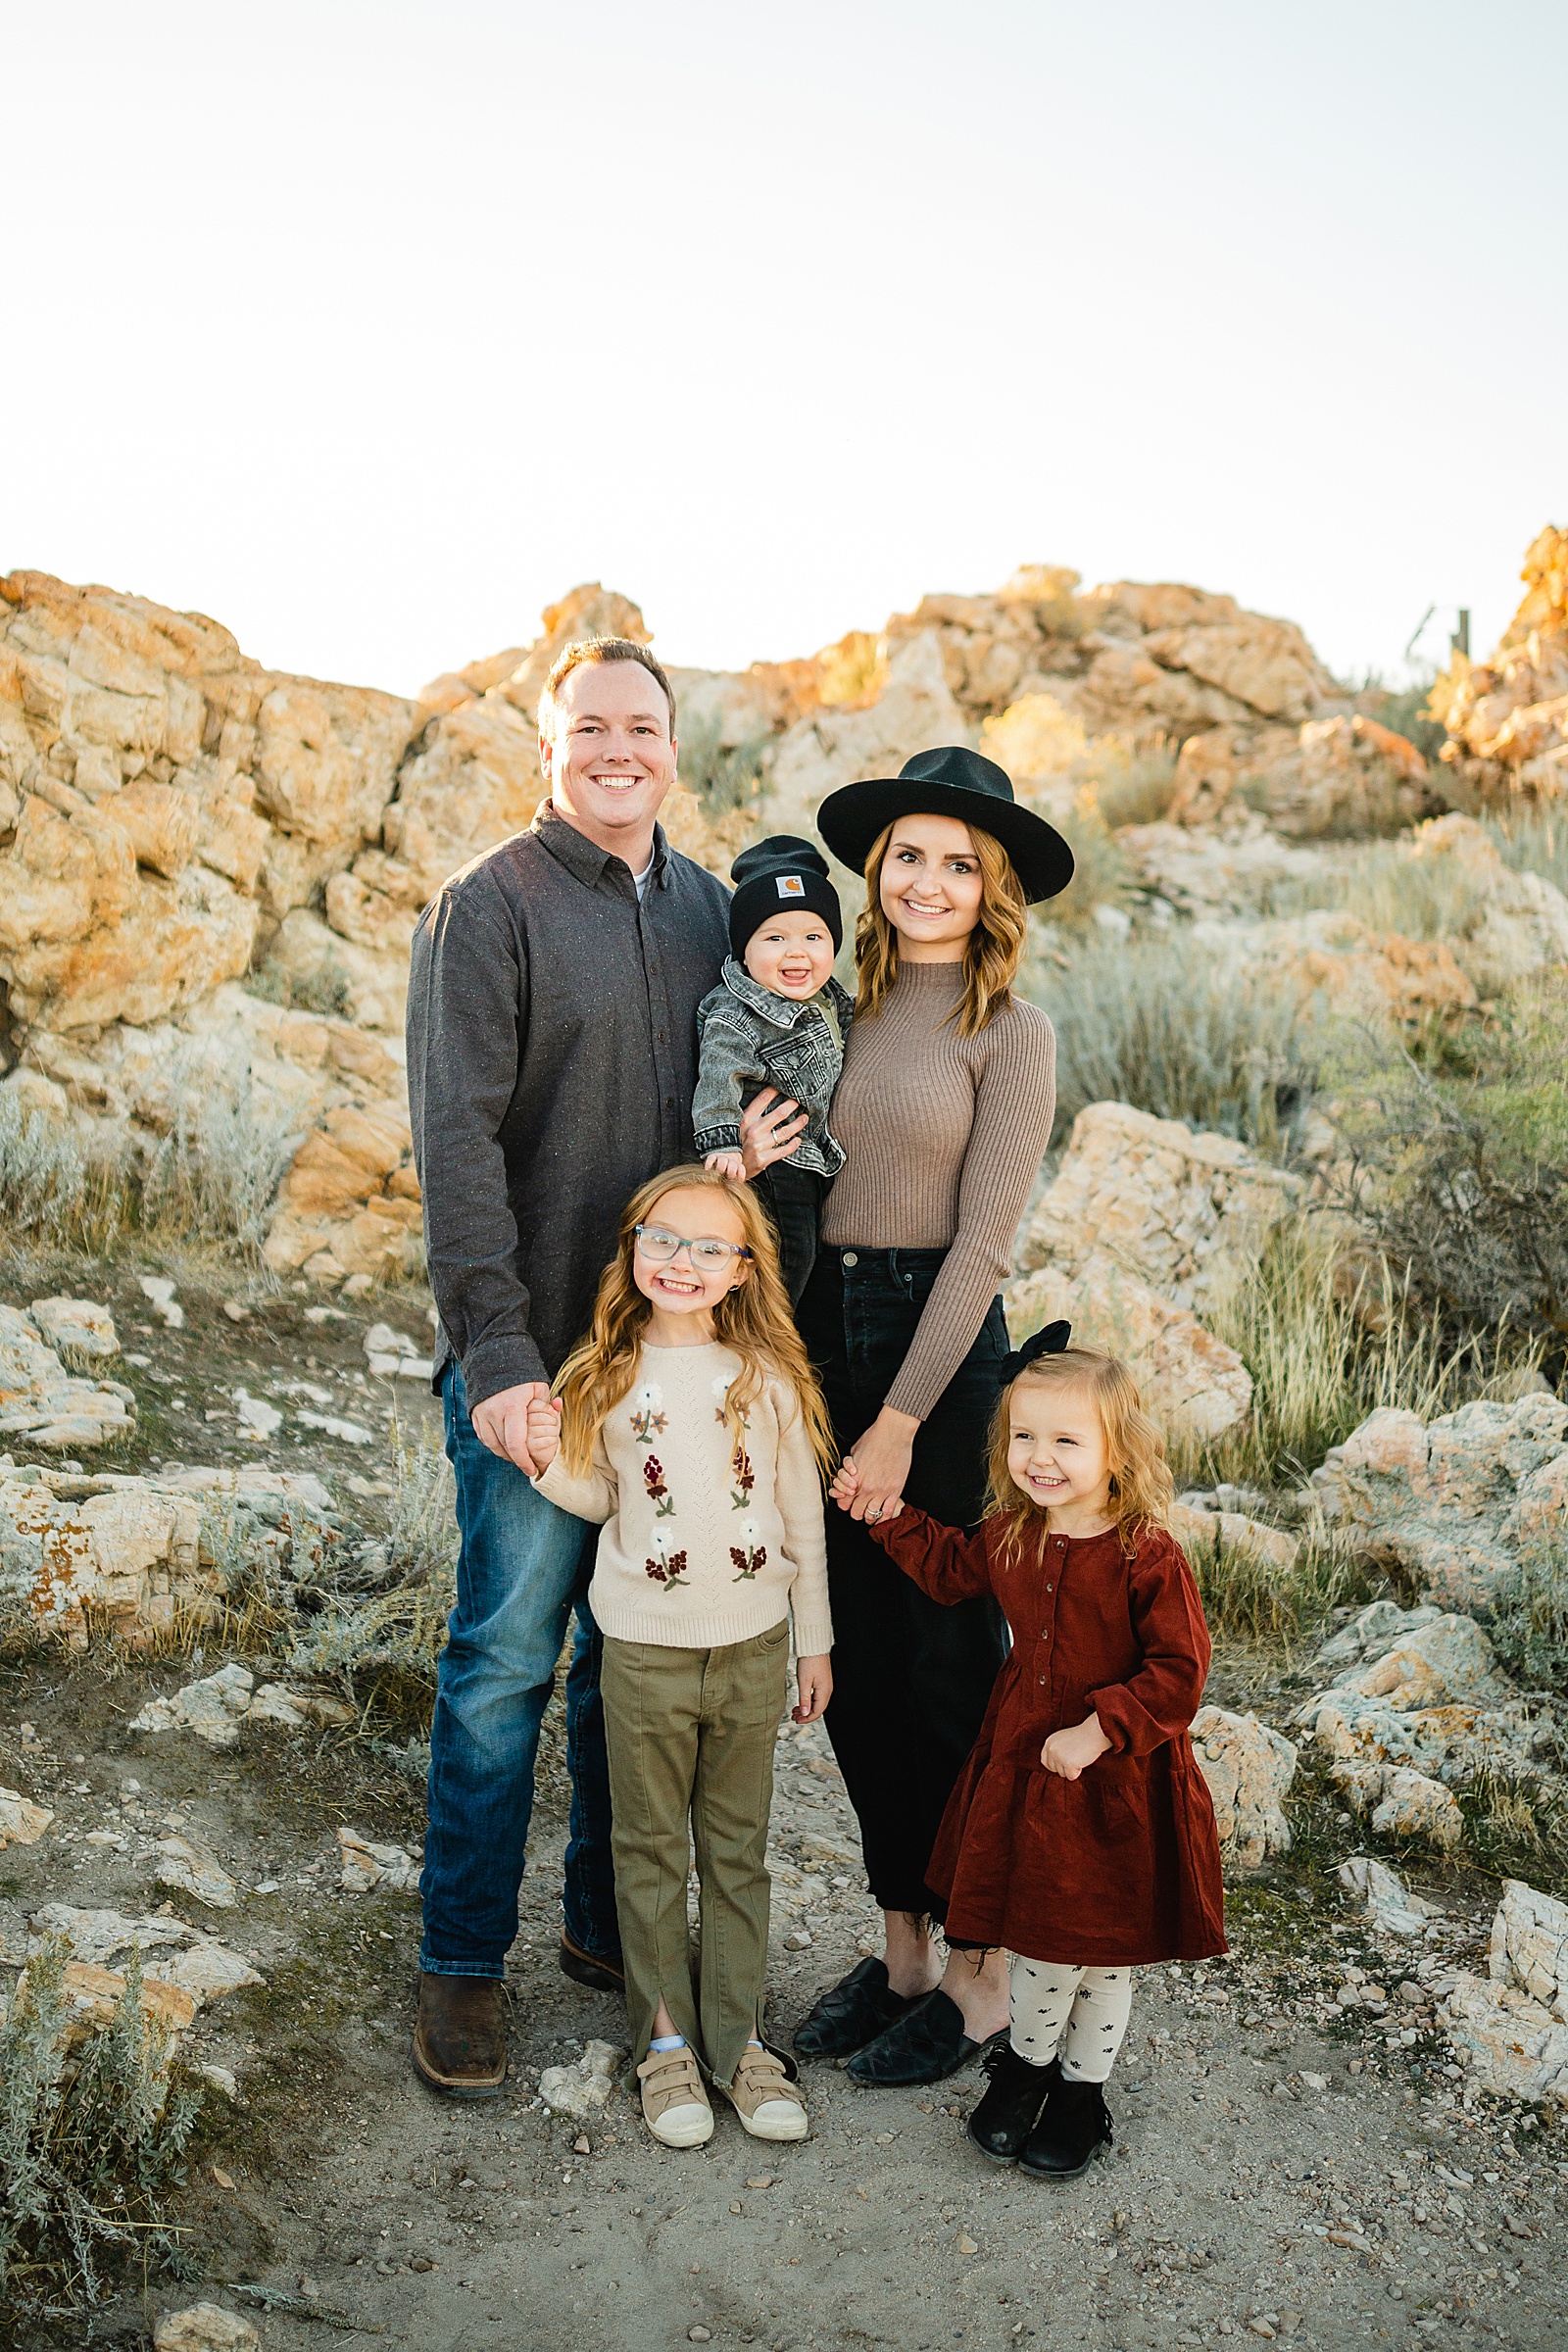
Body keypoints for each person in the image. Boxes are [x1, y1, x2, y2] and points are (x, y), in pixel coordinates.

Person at [405, 635, 731, 2097]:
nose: (618, 748)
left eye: (642, 727)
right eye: (589, 726)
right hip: (538, 1363)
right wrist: (495, 1358)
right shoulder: (488, 909)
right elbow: (456, 1147)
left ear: (674, 748)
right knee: (503, 1667)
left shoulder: (713, 911)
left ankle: (604, 1928)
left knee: (633, 1664)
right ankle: (461, 1965)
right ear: (548, 747)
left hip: (672, 1364)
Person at [749, 745, 1074, 2088]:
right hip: (818, 1329)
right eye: (906, 856)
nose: (929, 880)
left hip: (941, 1361)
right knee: (856, 1669)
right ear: (873, 872)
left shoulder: (1012, 1028)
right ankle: (900, 1953)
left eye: (959, 860)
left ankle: (985, 1978)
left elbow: (983, 1251)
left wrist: (894, 1424)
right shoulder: (832, 1002)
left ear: (990, 882)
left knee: (946, 1667)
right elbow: (796, 1181)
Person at [841, 1329, 1227, 2178]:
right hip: (1030, 1778)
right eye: (1023, 1436)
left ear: (1116, 1449)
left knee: (1101, 1954)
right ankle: (1024, 2074)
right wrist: (887, 1516)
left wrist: (1099, 1728)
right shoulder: (1015, 1532)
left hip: (1114, 1786)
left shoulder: (1145, 1553)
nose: (1040, 1458)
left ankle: (1081, 2093)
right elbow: (949, 1570)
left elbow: (1179, 1673)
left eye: (1065, 1440)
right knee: (1047, 1942)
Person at [529, 1164, 835, 2147]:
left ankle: (737, 2040)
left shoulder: (770, 1379)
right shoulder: (603, 1371)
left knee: (737, 1854)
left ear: (745, 1269)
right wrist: (540, 1458)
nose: (683, 1261)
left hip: (751, 1645)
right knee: (651, 1849)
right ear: (630, 1248)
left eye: (711, 1247)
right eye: (662, 1239)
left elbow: (799, 1520)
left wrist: (813, 1642)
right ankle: (663, 2044)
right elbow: (598, 1494)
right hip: (644, 1652)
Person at [693, 834, 854, 1305]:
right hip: (774, 1171)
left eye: (814, 937)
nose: (796, 952)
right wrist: (723, 1142)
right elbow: (717, 1075)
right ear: (745, 950)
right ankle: (768, 1347)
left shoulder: (828, 998)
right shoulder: (736, 1012)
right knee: (785, 1267)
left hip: (814, 1163)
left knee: (810, 1269)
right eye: (775, 938)